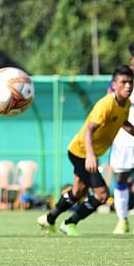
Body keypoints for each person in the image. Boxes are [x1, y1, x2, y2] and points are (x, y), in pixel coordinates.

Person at [38, 65, 134, 236]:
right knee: (102, 194)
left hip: (88, 153)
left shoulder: (125, 104)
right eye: (124, 82)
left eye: (130, 82)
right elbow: (89, 129)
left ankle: (49, 219)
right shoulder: (106, 105)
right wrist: (90, 155)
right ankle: (70, 223)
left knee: (78, 192)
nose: (128, 86)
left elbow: (123, 123)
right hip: (81, 152)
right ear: (114, 84)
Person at [109, 44, 134, 234]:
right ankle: (122, 219)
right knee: (121, 177)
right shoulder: (122, 80)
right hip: (124, 140)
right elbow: (109, 107)